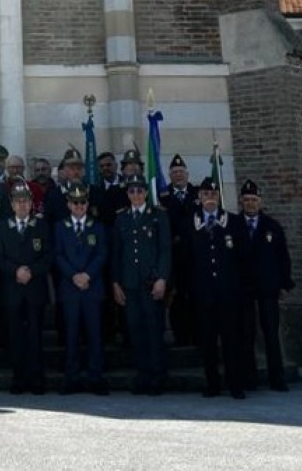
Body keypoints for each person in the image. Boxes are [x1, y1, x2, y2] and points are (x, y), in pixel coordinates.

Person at [110, 174, 171, 395]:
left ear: (146, 193)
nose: (135, 195)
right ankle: (143, 374)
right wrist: (116, 283)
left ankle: (157, 376)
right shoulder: (122, 218)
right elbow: (117, 253)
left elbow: (165, 250)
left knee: (154, 329)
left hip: (151, 283)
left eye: (139, 191)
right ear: (127, 194)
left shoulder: (157, 216)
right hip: (130, 283)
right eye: (131, 191)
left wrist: (162, 278)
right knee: (135, 330)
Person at [191, 178, 248, 399]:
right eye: (206, 195)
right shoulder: (192, 223)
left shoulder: (233, 222)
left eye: (213, 195)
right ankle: (212, 383)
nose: (210, 199)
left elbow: (243, 259)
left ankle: (236, 384)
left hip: (228, 294)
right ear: (200, 198)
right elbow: (187, 260)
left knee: (232, 341)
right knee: (208, 342)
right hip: (204, 294)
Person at [0, 181, 51, 395]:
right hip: (12, 289)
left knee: (35, 337)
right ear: (12, 203)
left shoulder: (41, 226)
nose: (22, 205)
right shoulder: (2, 227)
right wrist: (16, 271)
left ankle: (37, 380)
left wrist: (31, 271)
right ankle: (18, 379)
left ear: (31, 203)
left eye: (26, 201)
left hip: (35, 289)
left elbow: (48, 256)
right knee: (15, 337)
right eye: (18, 201)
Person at [53, 185, 110, 395]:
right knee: (71, 334)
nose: (79, 206)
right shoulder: (60, 227)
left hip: (92, 287)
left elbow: (102, 254)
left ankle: (96, 377)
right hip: (70, 288)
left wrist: (87, 275)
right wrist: (73, 276)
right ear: (68, 204)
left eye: (83, 202)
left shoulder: (98, 227)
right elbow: (57, 255)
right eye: (75, 202)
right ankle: (72, 378)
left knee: (95, 334)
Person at [238, 179, 294, 392]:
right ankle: (249, 378)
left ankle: (277, 378)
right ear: (241, 201)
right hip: (244, 289)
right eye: (246, 200)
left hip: (268, 288)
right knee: (246, 334)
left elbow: (283, 258)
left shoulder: (273, 227)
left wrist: (284, 284)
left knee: (271, 334)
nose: (250, 203)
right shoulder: (234, 225)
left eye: (254, 200)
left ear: (260, 201)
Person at [160, 154, 199, 347]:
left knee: (196, 294)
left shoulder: (199, 194)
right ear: (169, 175)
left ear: (187, 174)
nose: (178, 175)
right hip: (173, 255)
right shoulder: (163, 195)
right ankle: (180, 335)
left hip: (195, 255)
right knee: (176, 297)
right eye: (174, 173)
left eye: (181, 172)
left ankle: (197, 334)